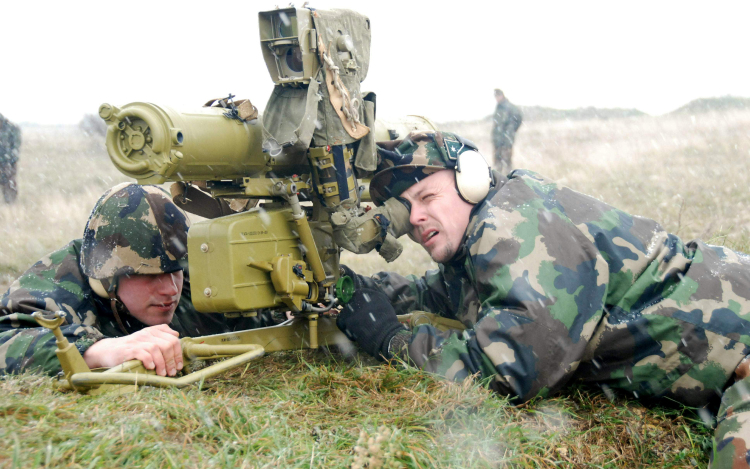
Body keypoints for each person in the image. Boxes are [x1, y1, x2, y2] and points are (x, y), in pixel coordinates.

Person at [336, 130, 750, 468]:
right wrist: (353, 288)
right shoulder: (478, 240)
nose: (415, 218)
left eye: (428, 197)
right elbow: (437, 293)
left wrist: (391, 340)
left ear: (471, 181)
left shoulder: (514, 223)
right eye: (406, 209)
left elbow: (513, 367)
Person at [0, 183, 272, 377]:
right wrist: (98, 350)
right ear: (108, 278)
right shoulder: (55, 284)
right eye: (151, 276)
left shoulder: (191, 272)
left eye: (175, 271)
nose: (170, 290)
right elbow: (6, 339)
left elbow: (256, 317)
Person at [491, 89, 523, 174]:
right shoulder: (498, 108)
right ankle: (498, 180)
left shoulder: (510, 107)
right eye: (495, 96)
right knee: (497, 164)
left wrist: (510, 130)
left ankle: (508, 179)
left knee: (507, 163)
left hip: (506, 140)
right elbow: (497, 124)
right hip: (498, 140)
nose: (497, 98)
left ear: (502, 95)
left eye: (498, 96)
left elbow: (518, 119)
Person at [0, 113, 22, 204]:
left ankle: (10, 205)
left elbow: (16, 146)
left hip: (8, 162)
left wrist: (10, 161)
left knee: (9, 184)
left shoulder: (12, 128)